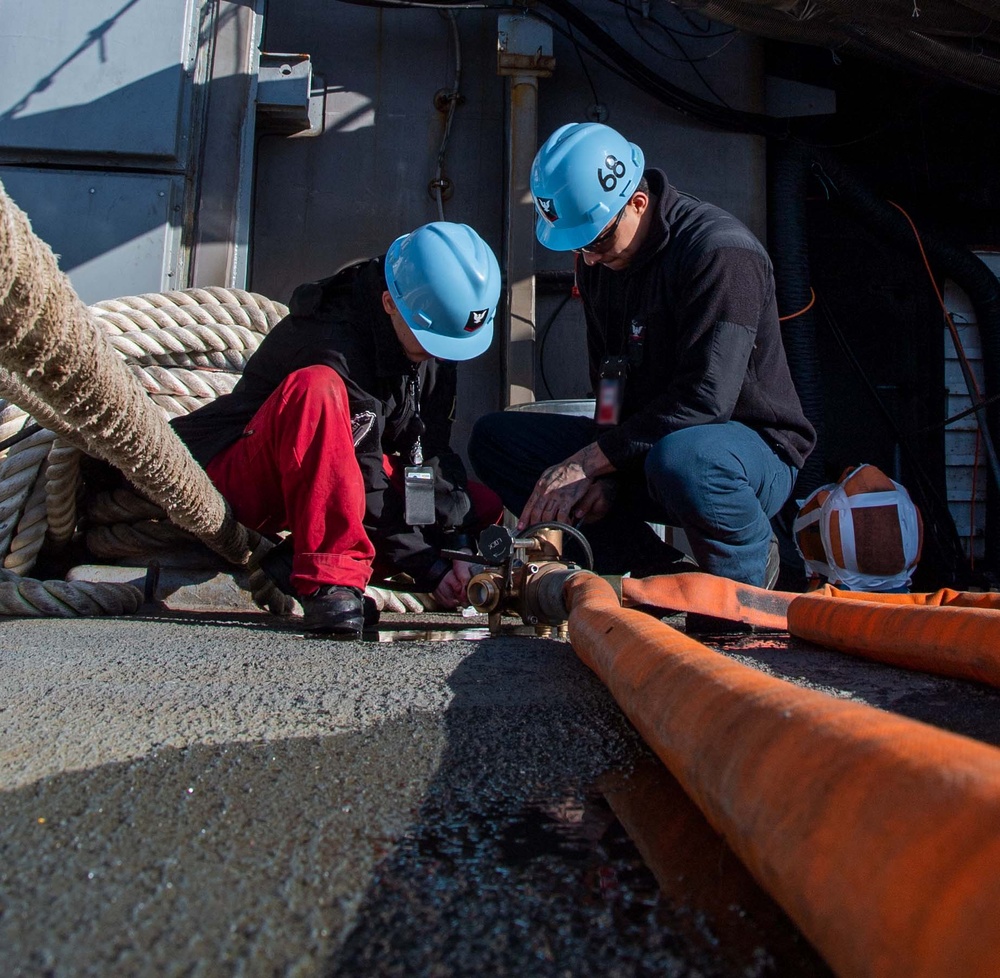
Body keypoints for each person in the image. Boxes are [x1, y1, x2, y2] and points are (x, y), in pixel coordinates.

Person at [469, 122, 816, 596]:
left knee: (686, 457)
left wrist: (593, 461)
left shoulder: (720, 254)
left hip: (747, 450)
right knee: (497, 440)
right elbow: (609, 382)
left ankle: (750, 582)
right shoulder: (601, 265)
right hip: (650, 448)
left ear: (637, 202)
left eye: (595, 242)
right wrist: (604, 472)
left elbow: (705, 401)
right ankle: (658, 579)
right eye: (578, 245)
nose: (588, 259)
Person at [171, 221, 503, 638]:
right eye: (431, 341)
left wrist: (453, 543)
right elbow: (363, 480)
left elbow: (428, 450)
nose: (438, 354)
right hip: (243, 474)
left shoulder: (430, 332)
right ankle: (330, 575)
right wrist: (429, 568)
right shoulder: (335, 342)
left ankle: (291, 559)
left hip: (330, 476)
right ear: (389, 303)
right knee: (317, 389)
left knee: (481, 506)